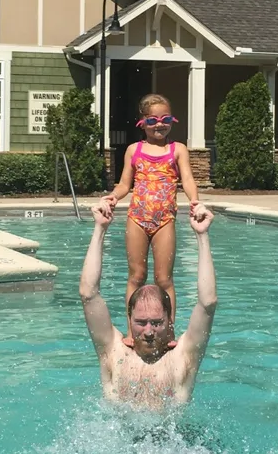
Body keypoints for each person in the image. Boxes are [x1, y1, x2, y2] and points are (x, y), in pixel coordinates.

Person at [79, 199, 216, 410]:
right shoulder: (114, 352)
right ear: (130, 320)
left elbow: (207, 303)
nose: (149, 331)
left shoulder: (182, 358)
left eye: (157, 322)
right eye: (141, 322)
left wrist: (202, 236)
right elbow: (88, 294)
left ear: (170, 321)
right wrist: (99, 229)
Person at [101, 93, 203, 337]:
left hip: (164, 221)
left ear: (172, 120)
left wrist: (195, 200)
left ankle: (168, 331)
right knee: (136, 277)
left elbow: (187, 179)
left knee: (164, 279)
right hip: (137, 219)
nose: (159, 124)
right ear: (142, 122)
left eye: (165, 119)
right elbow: (125, 184)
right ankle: (131, 331)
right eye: (153, 120)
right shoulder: (133, 150)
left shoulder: (177, 150)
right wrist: (113, 196)